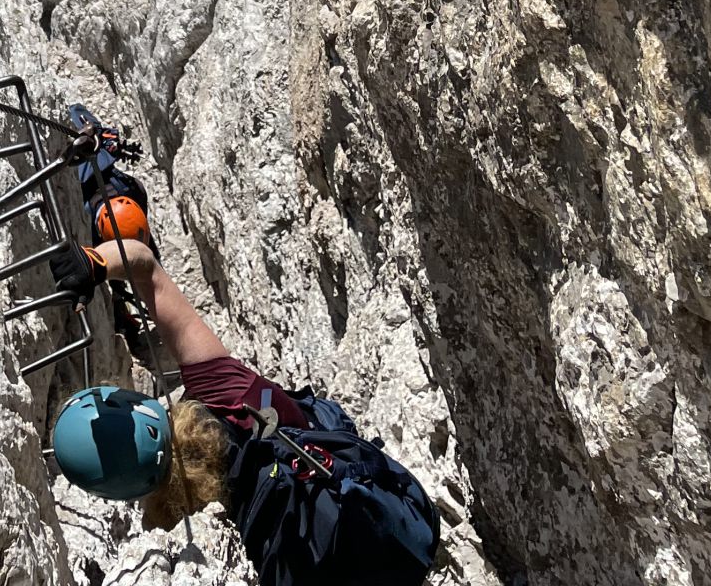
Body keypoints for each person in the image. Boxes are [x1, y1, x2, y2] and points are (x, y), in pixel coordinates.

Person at [47, 236, 437, 580]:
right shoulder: (223, 392)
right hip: (398, 515)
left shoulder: (189, 532)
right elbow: (146, 267)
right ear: (136, 405)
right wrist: (95, 262)